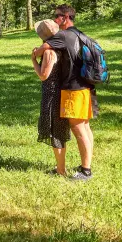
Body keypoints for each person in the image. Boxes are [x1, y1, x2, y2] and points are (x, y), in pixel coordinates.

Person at [32, 4, 99, 182]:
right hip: (86, 86)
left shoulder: (62, 35)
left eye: (57, 16)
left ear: (65, 17)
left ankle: (86, 171)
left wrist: (34, 55)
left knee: (78, 129)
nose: (55, 19)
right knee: (85, 127)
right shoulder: (80, 34)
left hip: (73, 89)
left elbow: (41, 49)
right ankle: (87, 165)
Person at [31, 19, 71, 175]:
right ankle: (60, 167)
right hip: (60, 92)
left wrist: (33, 60)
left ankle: (61, 170)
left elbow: (43, 75)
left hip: (52, 94)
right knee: (59, 132)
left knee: (56, 133)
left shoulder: (48, 52)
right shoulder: (61, 48)